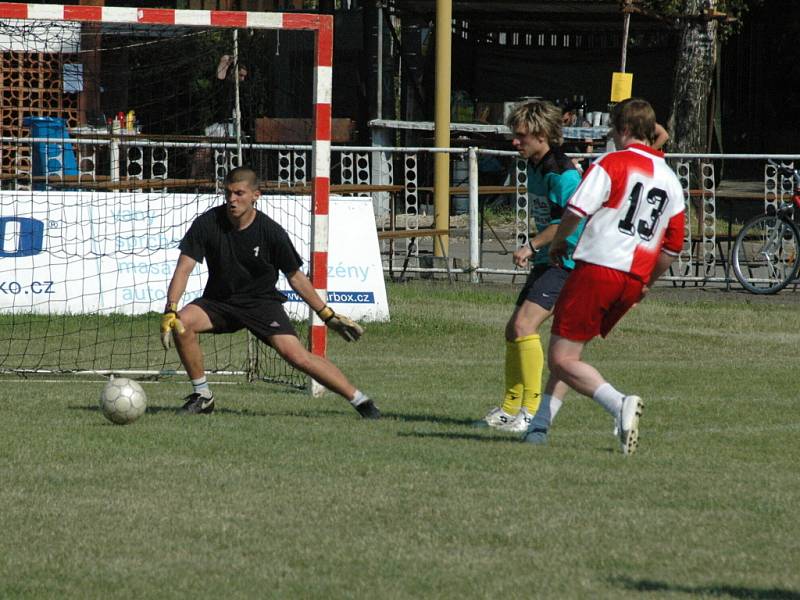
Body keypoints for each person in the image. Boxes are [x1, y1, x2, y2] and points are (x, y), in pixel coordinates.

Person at [522, 98, 686, 454]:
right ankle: (539, 427)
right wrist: (646, 284)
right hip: (632, 279)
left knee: (561, 360)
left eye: (614, 128)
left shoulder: (611, 163)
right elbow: (672, 248)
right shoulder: (671, 181)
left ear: (624, 130)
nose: (611, 134)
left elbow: (576, 210)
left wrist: (559, 244)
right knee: (570, 352)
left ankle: (619, 403)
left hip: (598, 268)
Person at [160, 166, 380, 419]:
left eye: (239, 193)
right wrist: (171, 308)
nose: (232, 200)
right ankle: (203, 396)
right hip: (219, 302)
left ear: (256, 195)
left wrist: (327, 314)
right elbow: (184, 268)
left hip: (261, 304)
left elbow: (296, 278)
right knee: (181, 323)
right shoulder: (208, 223)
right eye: (228, 193)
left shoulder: (271, 232)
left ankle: (361, 401)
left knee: (296, 356)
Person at [478, 100, 583, 433]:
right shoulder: (535, 165)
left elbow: (568, 220)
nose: (515, 142)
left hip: (566, 262)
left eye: (521, 135)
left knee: (525, 327)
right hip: (547, 260)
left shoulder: (562, 172)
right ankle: (510, 409)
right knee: (513, 330)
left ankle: (532, 411)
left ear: (541, 135)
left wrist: (532, 245)